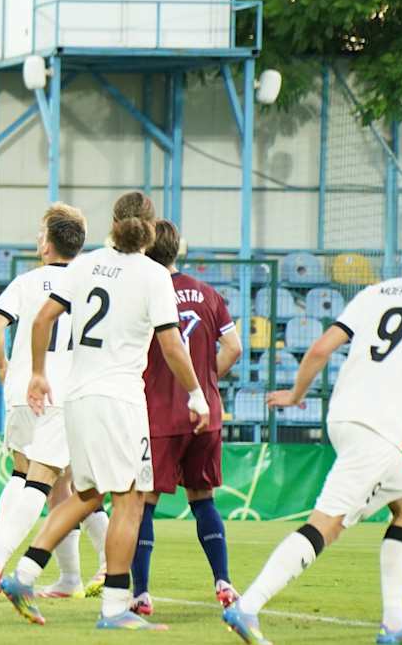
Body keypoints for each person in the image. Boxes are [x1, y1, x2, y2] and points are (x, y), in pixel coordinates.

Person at [222, 219, 402, 645]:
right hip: (377, 427)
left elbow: (318, 348)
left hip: (345, 417)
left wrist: (297, 394)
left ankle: (394, 623)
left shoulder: (377, 292)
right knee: (326, 525)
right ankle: (248, 605)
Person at [0, 190, 209, 630]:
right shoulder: (154, 276)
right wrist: (196, 393)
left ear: (114, 223)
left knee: (89, 494)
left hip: (77, 396)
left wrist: (38, 373)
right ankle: (114, 607)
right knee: (129, 499)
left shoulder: (85, 264)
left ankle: (24, 574)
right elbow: (171, 343)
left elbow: (40, 321)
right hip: (119, 400)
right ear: (150, 229)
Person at [0, 203, 108, 602]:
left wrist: (3, 366)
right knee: (58, 482)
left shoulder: (27, 282)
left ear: (48, 244)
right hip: (65, 391)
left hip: (21, 389)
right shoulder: (90, 283)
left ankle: (70, 577)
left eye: (40, 233)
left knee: (35, 479)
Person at [129, 220, 243, 616]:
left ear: (144, 250)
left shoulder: (144, 292)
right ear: (178, 250)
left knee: (144, 501)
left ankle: (140, 593)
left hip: (159, 413)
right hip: (205, 414)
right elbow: (233, 346)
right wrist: (205, 380)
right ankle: (224, 582)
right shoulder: (209, 294)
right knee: (203, 498)